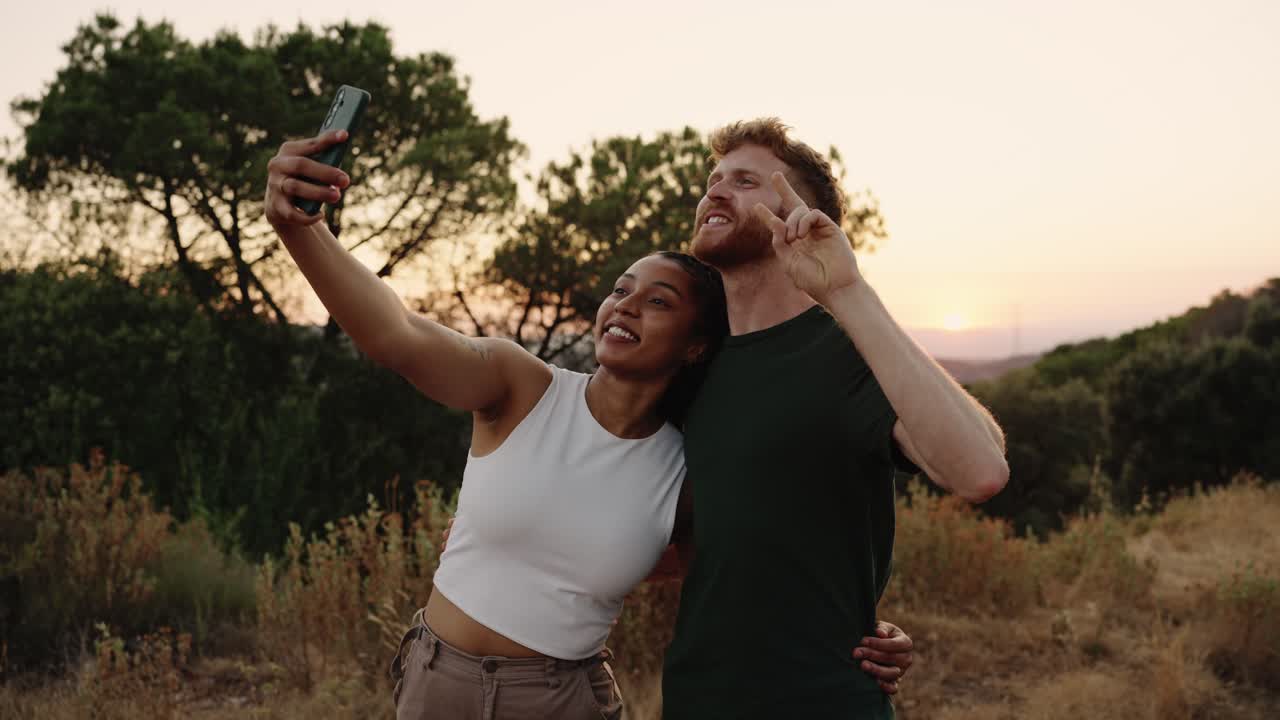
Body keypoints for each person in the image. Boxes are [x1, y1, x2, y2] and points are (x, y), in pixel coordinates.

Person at [262, 129, 914, 720]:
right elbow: (396, 334)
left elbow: (751, 563)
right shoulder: (520, 384)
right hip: (436, 683)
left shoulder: (688, 459)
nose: (624, 306)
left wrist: (859, 632)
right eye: (621, 289)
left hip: (565, 699)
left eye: (658, 301)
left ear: (694, 345)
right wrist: (302, 229)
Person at [660, 119, 1010, 719]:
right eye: (713, 180)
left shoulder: (844, 351)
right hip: (697, 699)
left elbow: (980, 470)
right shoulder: (691, 364)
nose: (715, 191)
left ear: (801, 214)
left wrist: (846, 290)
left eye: (745, 181)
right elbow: (688, 537)